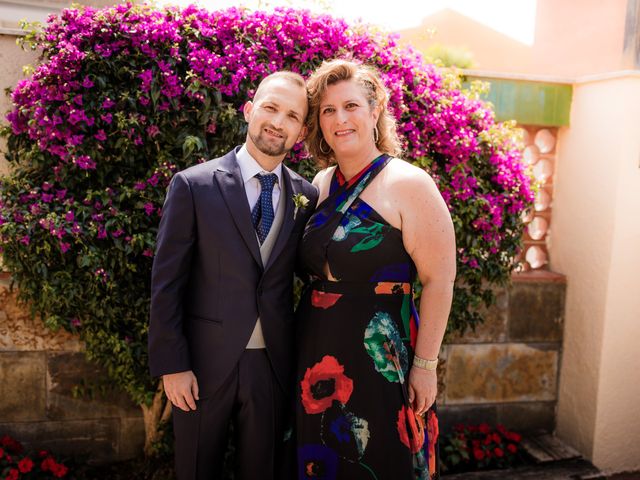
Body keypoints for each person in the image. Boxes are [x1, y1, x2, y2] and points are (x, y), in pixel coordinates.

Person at [148, 71, 318, 480]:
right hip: (202, 366)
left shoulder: (306, 196)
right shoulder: (194, 185)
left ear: (301, 130)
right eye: (271, 107)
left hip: (272, 367)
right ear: (249, 110)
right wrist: (173, 365)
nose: (278, 122)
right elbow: (167, 284)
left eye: (292, 116)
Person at [295, 59, 456, 479]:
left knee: (379, 459)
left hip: (381, 356)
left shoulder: (409, 184)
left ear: (375, 109)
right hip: (317, 354)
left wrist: (425, 366)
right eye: (328, 110)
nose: (340, 119)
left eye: (350, 106)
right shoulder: (322, 182)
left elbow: (439, 280)